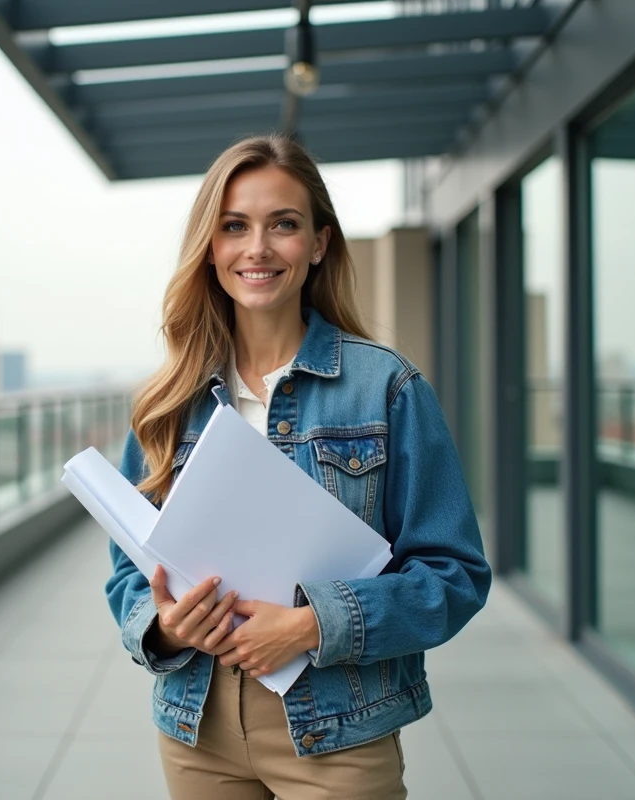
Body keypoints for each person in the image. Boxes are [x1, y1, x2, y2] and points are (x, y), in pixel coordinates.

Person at [105, 135, 490, 800]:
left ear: (317, 244)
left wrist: (314, 624)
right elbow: (127, 578)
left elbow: (455, 575)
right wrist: (164, 627)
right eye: (234, 227)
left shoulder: (387, 390)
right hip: (197, 730)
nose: (257, 248)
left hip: (341, 729)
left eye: (282, 224)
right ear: (211, 246)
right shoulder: (167, 404)